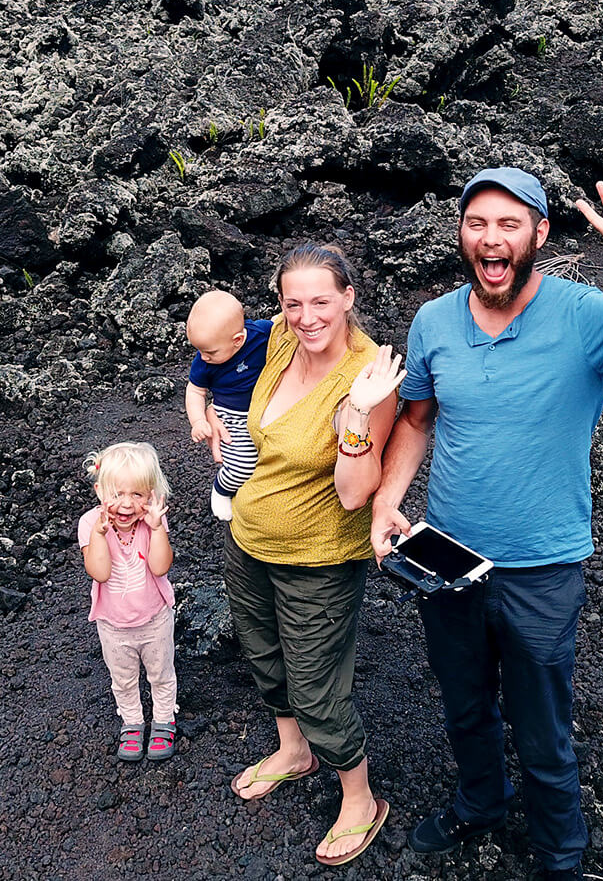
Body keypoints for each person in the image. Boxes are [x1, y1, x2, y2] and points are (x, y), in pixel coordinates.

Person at [370, 168, 603, 880]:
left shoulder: (587, 315)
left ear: (539, 235)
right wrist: (389, 498)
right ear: (462, 235)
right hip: (446, 556)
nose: (491, 238)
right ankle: (480, 804)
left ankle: (560, 857)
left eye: (510, 224)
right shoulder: (433, 321)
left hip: (542, 566)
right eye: (478, 223)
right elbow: (417, 419)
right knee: (465, 704)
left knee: (543, 731)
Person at [223, 244, 406, 867]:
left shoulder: (369, 375)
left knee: (314, 682)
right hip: (250, 538)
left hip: (319, 558)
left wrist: (355, 412)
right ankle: (293, 751)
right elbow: (215, 344)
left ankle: (359, 797)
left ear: (349, 297)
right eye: (292, 301)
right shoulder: (278, 340)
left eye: (320, 301)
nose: (306, 316)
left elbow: (356, 494)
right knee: (264, 652)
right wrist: (207, 409)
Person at [77, 442, 178, 762]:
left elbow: (161, 567)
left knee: (161, 673)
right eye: (117, 494)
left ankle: (163, 720)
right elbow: (100, 572)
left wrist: (158, 528)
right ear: (99, 490)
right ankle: (132, 722)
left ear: (151, 496)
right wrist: (98, 534)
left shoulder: (152, 523)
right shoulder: (89, 524)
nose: (126, 504)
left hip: (155, 618)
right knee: (123, 678)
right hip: (114, 625)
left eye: (137, 495)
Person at [183, 290, 272, 521]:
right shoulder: (204, 362)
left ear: (238, 340)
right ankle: (222, 489)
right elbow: (195, 390)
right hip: (230, 416)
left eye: (209, 352)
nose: (202, 357)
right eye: (199, 350)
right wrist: (198, 421)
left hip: (268, 409)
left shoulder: (261, 334)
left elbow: (282, 325)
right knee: (243, 465)